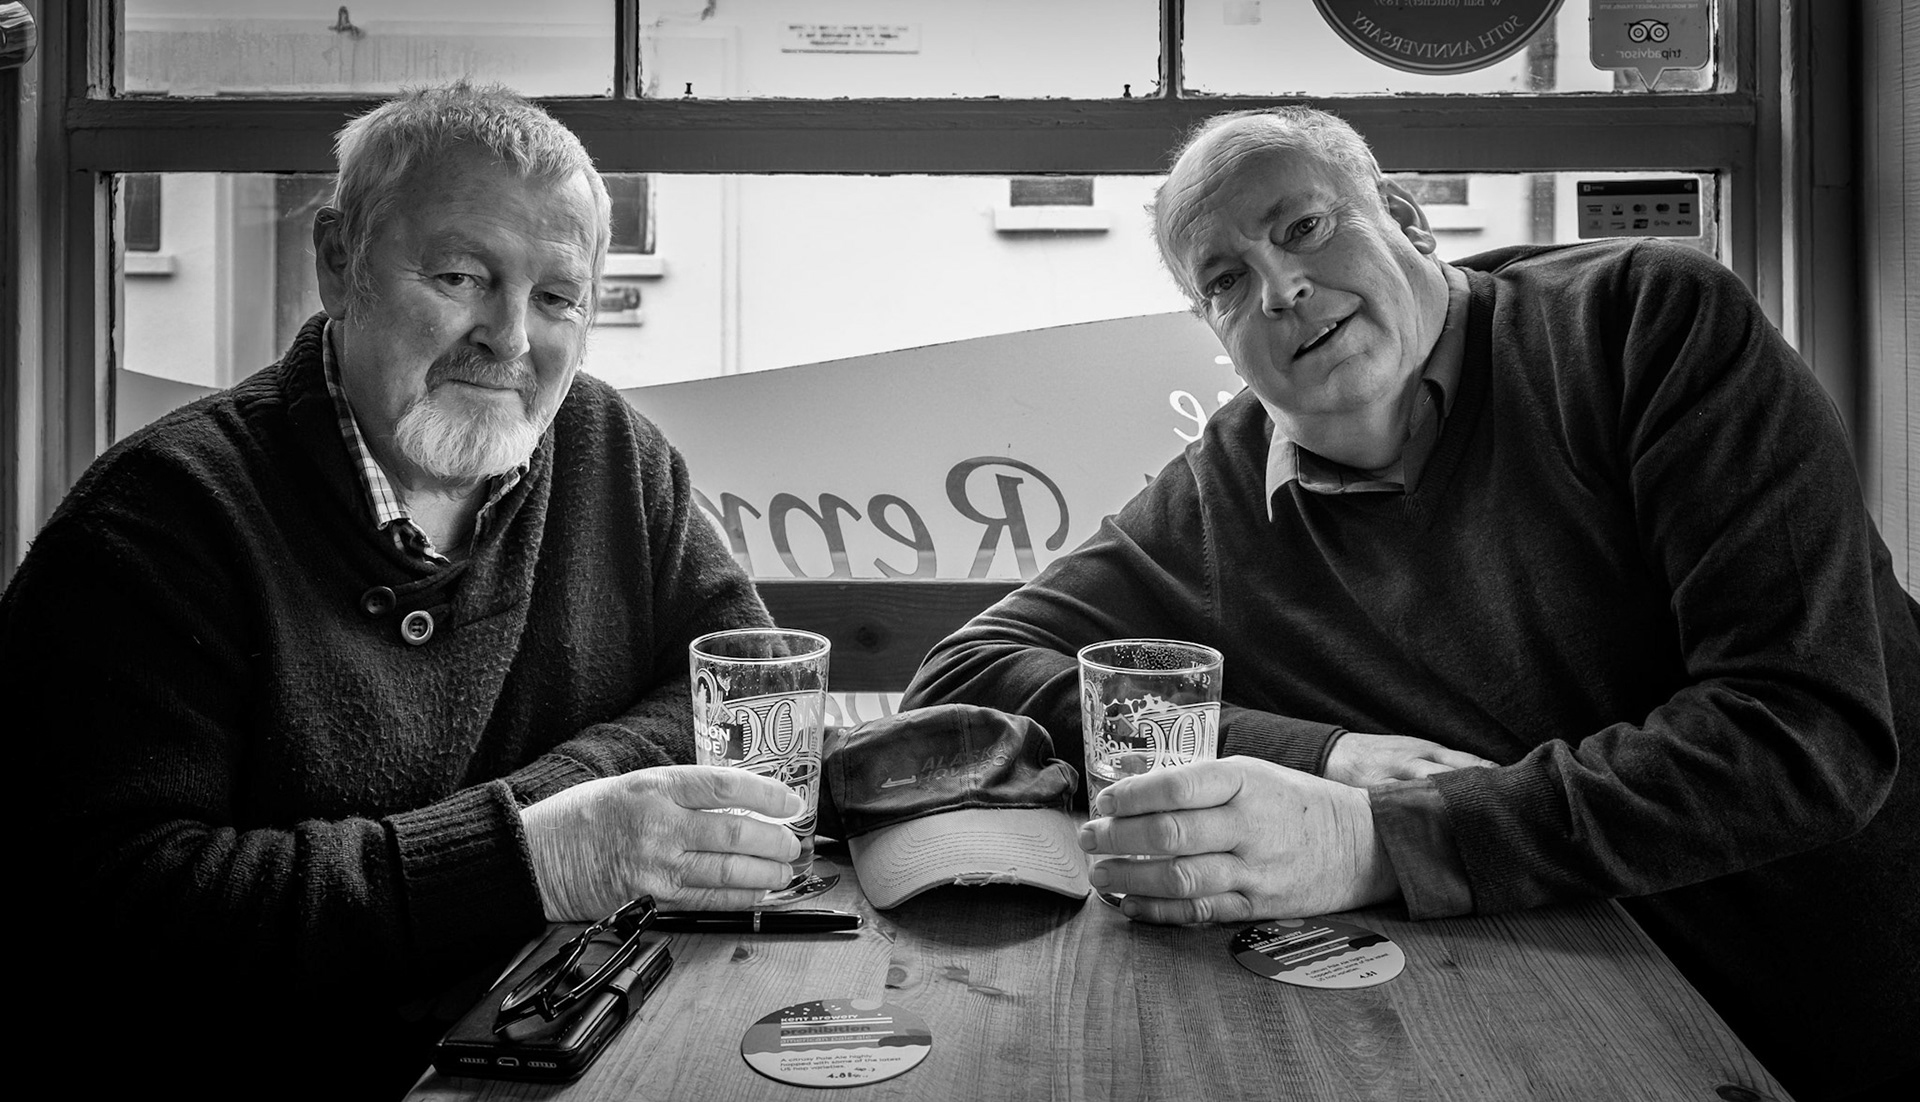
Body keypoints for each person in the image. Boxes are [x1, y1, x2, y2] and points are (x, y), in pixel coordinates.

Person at [902, 106, 1918, 1101]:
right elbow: (963, 676)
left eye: (1302, 226)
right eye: (1225, 281)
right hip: (1561, 1021)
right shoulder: (1221, 489)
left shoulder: (1644, 323)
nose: (1282, 286)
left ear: (1406, 216)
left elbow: (1805, 734)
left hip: (1843, 1008)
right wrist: (1324, 756)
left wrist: (1373, 835)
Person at [4, 82, 801, 1098]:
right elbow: (112, 917)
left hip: (571, 1054)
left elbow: (749, 699)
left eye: (558, 298)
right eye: (464, 275)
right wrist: (528, 858)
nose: (511, 338)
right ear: (338, 261)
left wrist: (554, 827)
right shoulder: (156, 523)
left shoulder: (610, 453)